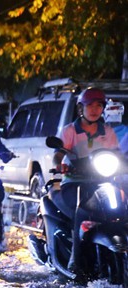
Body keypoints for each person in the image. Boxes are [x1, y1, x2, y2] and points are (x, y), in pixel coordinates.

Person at [53, 87, 120, 277]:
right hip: (74, 182)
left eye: (99, 105)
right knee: (82, 211)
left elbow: (116, 155)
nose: (94, 109)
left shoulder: (108, 132)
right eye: (90, 105)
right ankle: (75, 256)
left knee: (119, 209)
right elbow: (58, 154)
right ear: (81, 108)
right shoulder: (69, 130)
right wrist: (61, 165)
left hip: (101, 182)